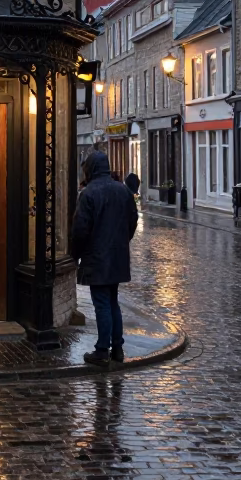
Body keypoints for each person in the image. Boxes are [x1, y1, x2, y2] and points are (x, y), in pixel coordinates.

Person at [70, 151, 138, 367]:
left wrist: (75, 255)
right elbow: (132, 221)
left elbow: (80, 230)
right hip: (116, 256)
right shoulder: (123, 191)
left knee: (102, 304)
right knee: (112, 302)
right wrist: (122, 242)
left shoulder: (89, 194)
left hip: (97, 258)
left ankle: (102, 350)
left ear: (90, 169)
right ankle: (117, 347)